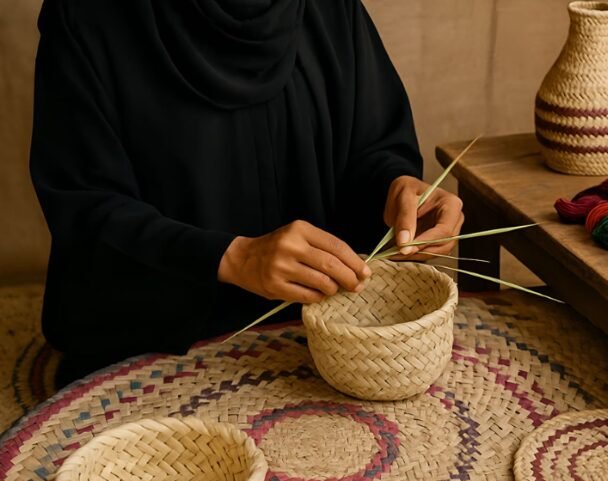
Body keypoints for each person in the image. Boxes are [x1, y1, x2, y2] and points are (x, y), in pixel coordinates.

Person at [30, 0, 464, 385]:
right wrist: (234, 258)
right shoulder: (89, 16)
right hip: (162, 351)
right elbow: (85, 205)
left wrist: (399, 190)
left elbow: (371, 145)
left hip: (320, 343)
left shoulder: (327, 8)